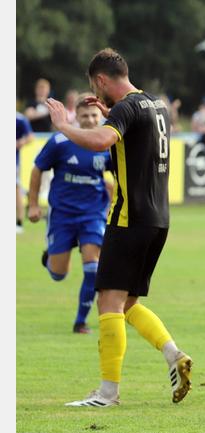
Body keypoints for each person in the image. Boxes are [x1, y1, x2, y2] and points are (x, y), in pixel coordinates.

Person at [44, 48, 192, 407]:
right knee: (127, 303)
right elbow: (134, 135)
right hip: (159, 220)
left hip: (129, 218)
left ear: (100, 81)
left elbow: (101, 140)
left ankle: (107, 393)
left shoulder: (126, 109)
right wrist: (114, 114)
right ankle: (173, 354)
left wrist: (65, 126)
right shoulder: (155, 105)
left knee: (108, 301)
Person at [28, 96, 112, 334]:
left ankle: (80, 322)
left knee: (92, 269)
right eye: (85, 116)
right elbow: (37, 170)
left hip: (92, 214)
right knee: (58, 274)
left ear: (100, 117)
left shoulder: (107, 143)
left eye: (94, 116)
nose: (90, 120)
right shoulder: (60, 141)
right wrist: (33, 205)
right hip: (62, 215)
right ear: (76, 116)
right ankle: (51, 259)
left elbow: (117, 178)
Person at [16, 112, 34, 234]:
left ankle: (19, 222)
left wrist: (18, 143)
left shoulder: (19, 119)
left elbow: (30, 137)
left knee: (15, 189)